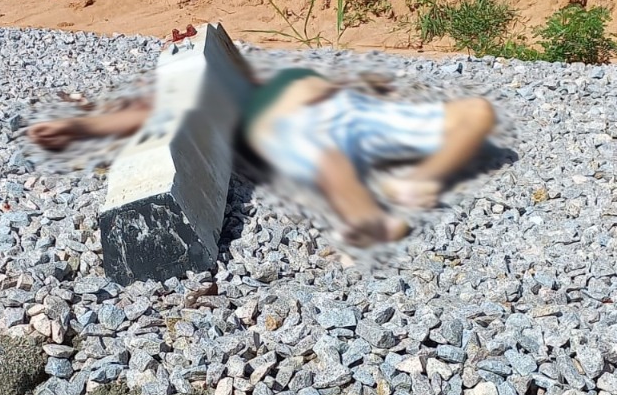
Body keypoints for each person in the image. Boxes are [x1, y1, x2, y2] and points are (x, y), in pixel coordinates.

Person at [28, 56, 494, 247]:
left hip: (359, 116)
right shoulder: (228, 103)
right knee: (325, 154)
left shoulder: (268, 79)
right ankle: (368, 218)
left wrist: (360, 85)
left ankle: (420, 181)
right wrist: (79, 127)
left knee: (477, 111)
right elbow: (150, 111)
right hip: (291, 129)